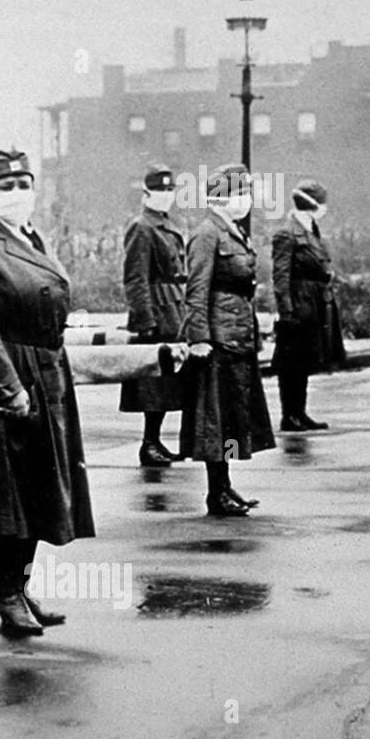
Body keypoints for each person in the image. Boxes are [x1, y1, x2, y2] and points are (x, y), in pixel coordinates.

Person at [0, 148, 94, 637]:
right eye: (5, 187)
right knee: (6, 494)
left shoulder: (30, 238)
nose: (17, 195)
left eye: (24, 185)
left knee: (37, 489)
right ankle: (6, 593)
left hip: (46, 371)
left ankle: (23, 586)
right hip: (5, 376)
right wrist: (10, 387)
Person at [178, 164, 275, 516]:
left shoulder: (231, 230)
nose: (247, 200)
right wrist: (199, 338)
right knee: (215, 418)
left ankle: (225, 486)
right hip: (218, 339)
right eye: (242, 193)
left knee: (232, 417)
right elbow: (196, 289)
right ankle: (215, 491)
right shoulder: (207, 233)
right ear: (224, 197)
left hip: (237, 335)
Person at [120, 164, 187, 466]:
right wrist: (145, 318)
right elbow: (135, 278)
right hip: (157, 310)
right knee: (153, 384)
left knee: (167, 383)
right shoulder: (142, 227)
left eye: (169, 190)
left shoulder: (164, 224)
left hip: (174, 308)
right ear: (146, 193)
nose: (165, 195)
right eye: (159, 190)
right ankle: (149, 443)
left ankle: (155, 441)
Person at [271, 180, 345, 431]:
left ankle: (299, 413)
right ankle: (289, 415)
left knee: (303, 362)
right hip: (299, 303)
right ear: (313, 205)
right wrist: (286, 312)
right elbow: (280, 277)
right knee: (291, 363)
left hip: (314, 303)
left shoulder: (311, 230)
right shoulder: (287, 233)